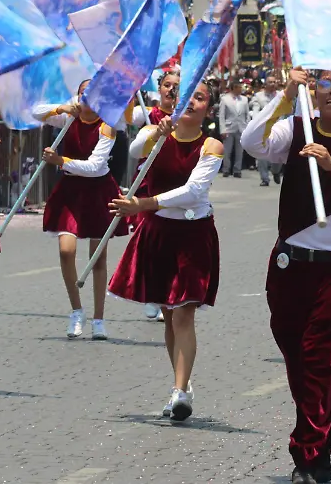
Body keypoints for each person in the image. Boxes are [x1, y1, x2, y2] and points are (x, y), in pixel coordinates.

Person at [241, 67, 331, 484]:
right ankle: (324, 430)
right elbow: (254, 143)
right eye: (326, 83)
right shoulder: (296, 125)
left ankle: (307, 454)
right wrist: (285, 95)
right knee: (297, 357)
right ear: (314, 90)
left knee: (320, 359)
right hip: (289, 263)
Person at [108, 82, 222, 421]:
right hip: (159, 233)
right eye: (187, 95)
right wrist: (157, 133)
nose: (192, 102)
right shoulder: (154, 133)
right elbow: (133, 151)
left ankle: (179, 390)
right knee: (170, 315)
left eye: (200, 98)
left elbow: (193, 190)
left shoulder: (211, 145)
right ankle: (182, 386)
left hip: (193, 235)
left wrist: (143, 203)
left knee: (184, 311)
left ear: (208, 109)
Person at [33, 80, 128, 340]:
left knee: (97, 258)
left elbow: (95, 166)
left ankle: (99, 319)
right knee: (66, 251)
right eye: (83, 92)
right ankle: (77, 311)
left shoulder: (107, 127)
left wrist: (60, 160)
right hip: (71, 192)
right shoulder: (69, 119)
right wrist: (61, 108)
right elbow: (35, 112)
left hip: (99, 191)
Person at [128, 69, 179, 323]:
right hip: (147, 184)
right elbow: (123, 118)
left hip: (174, 183)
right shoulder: (147, 113)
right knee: (148, 240)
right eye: (167, 85)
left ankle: (169, 291)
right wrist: (127, 91)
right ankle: (151, 296)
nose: (171, 90)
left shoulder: (184, 117)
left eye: (176, 86)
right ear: (159, 89)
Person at [249, 77, 282, 186]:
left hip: (279, 128)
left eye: (274, 82)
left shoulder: (281, 95)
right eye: (270, 82)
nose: (273, 84)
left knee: (279, 153)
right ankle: (264, 178)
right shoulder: (258, 96)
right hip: (263, 128)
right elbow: (255, 111)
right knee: (262, 155)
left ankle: (276, 171)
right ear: (265, 84)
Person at [219, 79, 248, 177]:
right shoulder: (225, 99)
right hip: (229, 128)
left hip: (241, 128)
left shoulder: (244, 99)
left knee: (239, 151)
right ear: (233, 88)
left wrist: (247, 128)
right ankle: (226, 169)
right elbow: (222, 116)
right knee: (227, 150)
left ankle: (237, 170)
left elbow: (247, 115)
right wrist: (222, 129)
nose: (241, 89)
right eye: (239, 87)